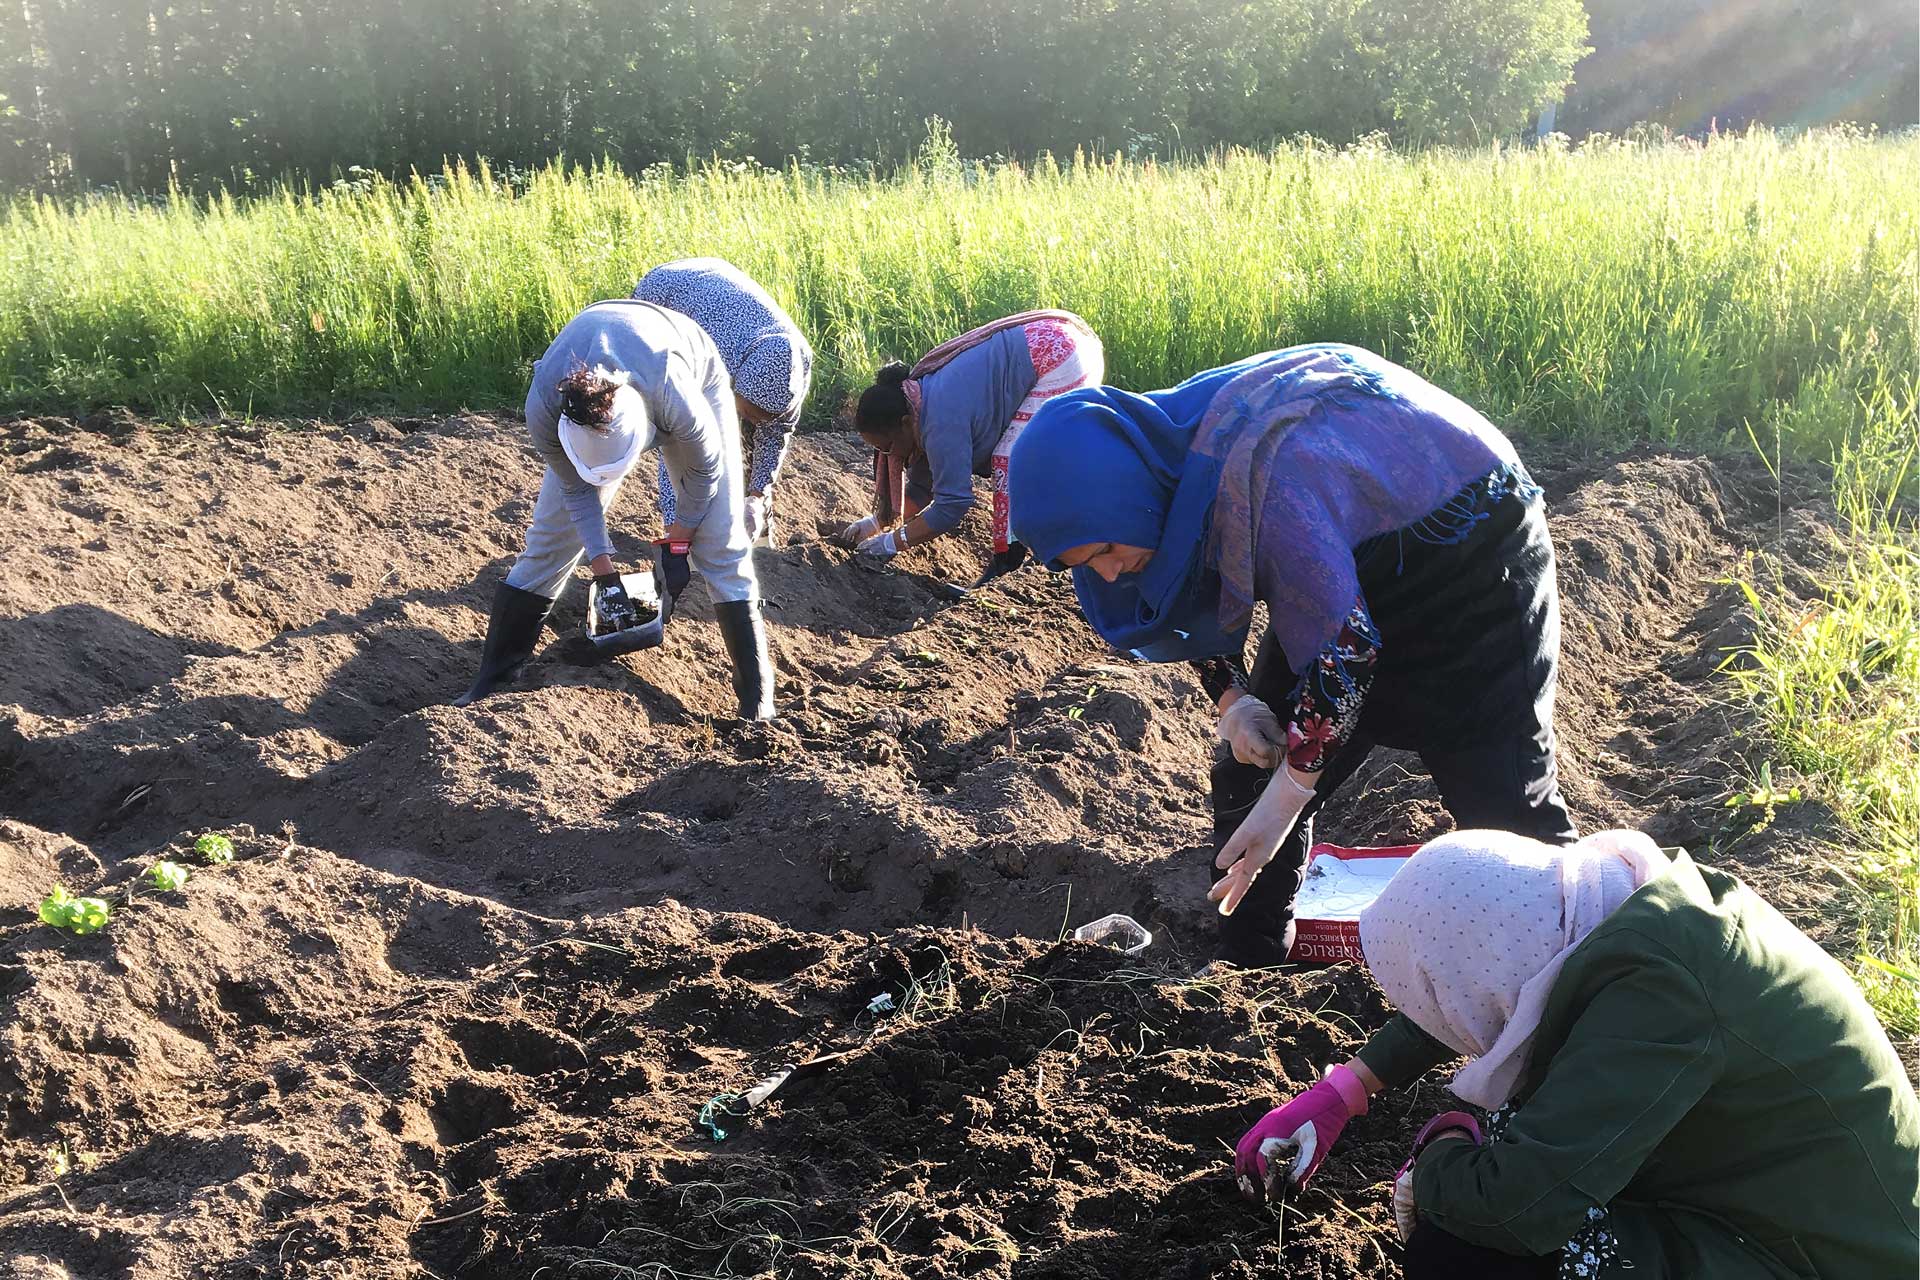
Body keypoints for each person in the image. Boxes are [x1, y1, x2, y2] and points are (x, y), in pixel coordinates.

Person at [1010, 344, 1576, 966]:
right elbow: (1175, 591)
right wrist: (1234, 698)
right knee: (1255, 760)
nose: (1110, 574)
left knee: (1500, 799)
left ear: (1125, 499)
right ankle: (1248, 966)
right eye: (1086, 564)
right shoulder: (1165, 471)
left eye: (1109, 549)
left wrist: (1288, 798)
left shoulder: (1267, 484)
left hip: (1466, 549)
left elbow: (1347, 651)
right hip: (1341, 554)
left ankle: (1570, 972)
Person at [1231, 828, 1920, 1279]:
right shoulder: (1612, 914)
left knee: (1466, 1252)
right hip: (1764, 1196)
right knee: (1510, 1139)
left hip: (1818, 1258)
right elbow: (1487, 985)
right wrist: (1347, 1089)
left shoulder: (1660, 1000)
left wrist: (1439, 1153)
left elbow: (1512, 1210)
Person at [455, 299, 774, 719]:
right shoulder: (546, 409)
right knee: (550, 542)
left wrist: (680, 536)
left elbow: (703, 472)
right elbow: (576, 491)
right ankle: (492, 680)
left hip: (685, 361)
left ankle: (756, 700)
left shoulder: (672, 392)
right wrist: (604, 573)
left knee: (721, 543)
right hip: (599, 353)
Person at [838, 310, 1103, 591]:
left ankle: (1006, 564)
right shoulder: (917, 403)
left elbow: (953, 503)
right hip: (1049, 343)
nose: (890, 457)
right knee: (1014, 455)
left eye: (888, 447)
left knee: (1013, 461)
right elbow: (920, 488)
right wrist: (876, 524)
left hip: (1059, 357)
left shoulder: (939, 419)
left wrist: (891, 543)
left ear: (904, 424)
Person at [632, 257, 812, 543]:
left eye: (762, 419)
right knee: (690, 437)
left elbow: (777, 434)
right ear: (733, 386)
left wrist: (757, 496)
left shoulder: (795, 366)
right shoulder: (706, 364)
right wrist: (675, 535)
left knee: (747, 442)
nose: (754, 424)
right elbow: (674, 442)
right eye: (750, 415)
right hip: (665, 294)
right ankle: (684, 531)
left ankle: (757, 536)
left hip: (719, 292)